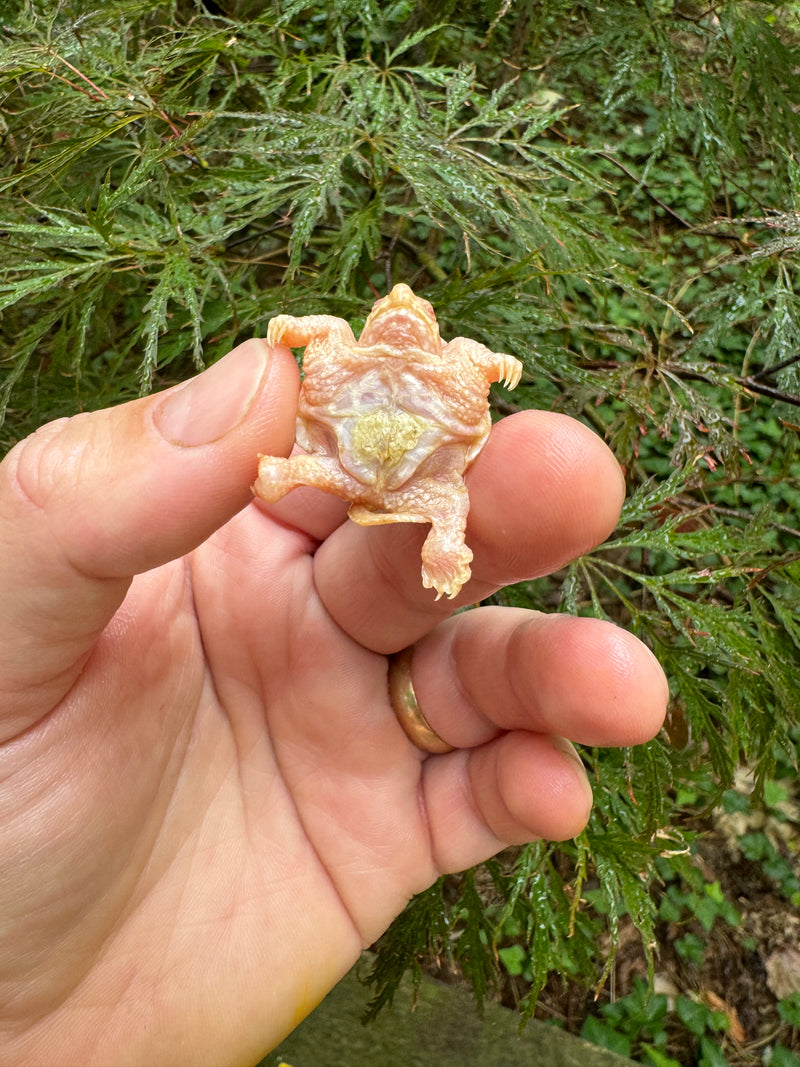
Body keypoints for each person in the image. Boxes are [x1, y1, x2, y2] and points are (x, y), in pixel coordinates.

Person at [0, 338, 668, 1066]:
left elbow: (454, 388)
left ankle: (437, 541)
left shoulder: (439, 365)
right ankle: (311, 482)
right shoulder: (354, 348)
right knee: (308, 470)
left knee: (459, 503)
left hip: (414, 471)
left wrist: (486, 362)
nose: (405, 314)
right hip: (341, 461)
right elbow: (327, 338)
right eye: (396, 310)